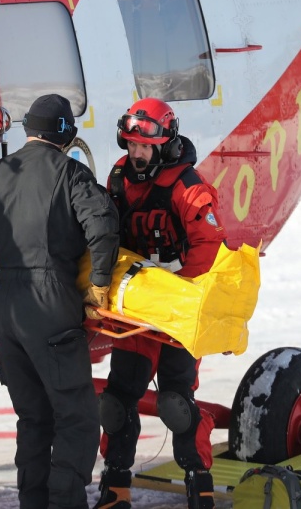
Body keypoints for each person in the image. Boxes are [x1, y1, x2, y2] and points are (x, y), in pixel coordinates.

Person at [0, 94, 119, 509]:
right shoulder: (71, 174)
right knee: (78, 418)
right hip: (51, 300)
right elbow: (103, 227)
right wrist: (100, 284)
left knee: (34, 418)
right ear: (64, 133)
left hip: (6, 307)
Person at [94, 98, 227, 509]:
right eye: (131, 145)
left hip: (176, 312)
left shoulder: (187, 186)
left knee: (176, 403)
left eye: (144, 147)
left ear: (164, 144)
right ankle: (115, 490)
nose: (135, 154)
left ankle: (200, 491)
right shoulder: (119, 177)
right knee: (117, 401)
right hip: (134, 309)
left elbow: (209, 244)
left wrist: (180, 295)